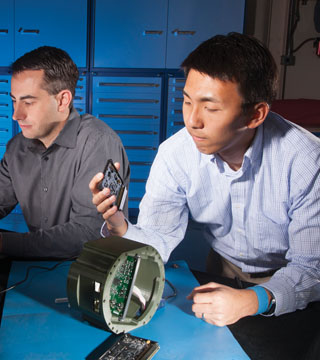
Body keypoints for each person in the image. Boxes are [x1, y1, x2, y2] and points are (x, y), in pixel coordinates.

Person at [89, 32, 320, 326]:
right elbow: (157, 241)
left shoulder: (306, 160)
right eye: (187, 102)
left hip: (290, 282)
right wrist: (119, 225)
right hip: (221, 271)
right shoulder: (175, 154)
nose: (192, 121)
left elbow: (311, 268)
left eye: (210, 108)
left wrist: (254, 299)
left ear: (255, 114)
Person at [0, 46, 130, 258]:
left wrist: (5, 243)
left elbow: (88, 233)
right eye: (14, 101)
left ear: (62, 100)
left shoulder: (98, 143)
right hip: (38, 268)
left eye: (28, 102)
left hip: (89, 271)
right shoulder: (17, 148)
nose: (16, 115)